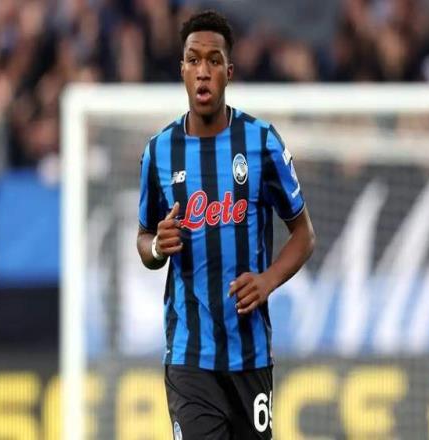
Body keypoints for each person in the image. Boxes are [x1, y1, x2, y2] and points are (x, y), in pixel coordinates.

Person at [137, 10, 315, 439]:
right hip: (189, 356)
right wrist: (157, 246)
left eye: (213, 61)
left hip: (249, 355)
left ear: (228, 72)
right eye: (193, 60)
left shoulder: (261, 142)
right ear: (182, 70)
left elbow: (304, 234)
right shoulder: (159, 152)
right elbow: (143, 239)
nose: (203, 71)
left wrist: (268, 280)